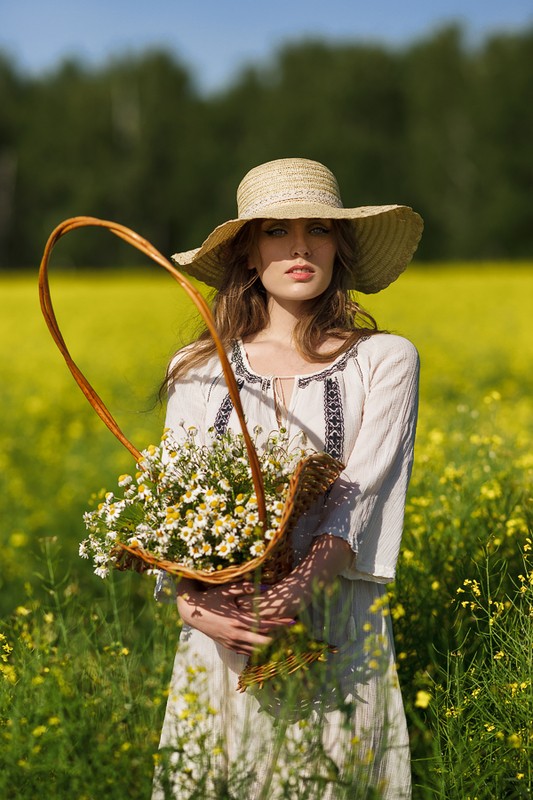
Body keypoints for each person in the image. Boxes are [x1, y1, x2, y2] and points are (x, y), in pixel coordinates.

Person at [152, 157, 423, 800]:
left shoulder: (383, 360)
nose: (300, 247)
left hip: (336, 623)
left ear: (339, 247)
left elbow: (362, 493)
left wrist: (298, 591)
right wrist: (196, 606)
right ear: (249, 254)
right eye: (277, 230)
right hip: (224, 632)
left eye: (319, 230)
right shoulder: (195, 369)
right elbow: (173, 515)